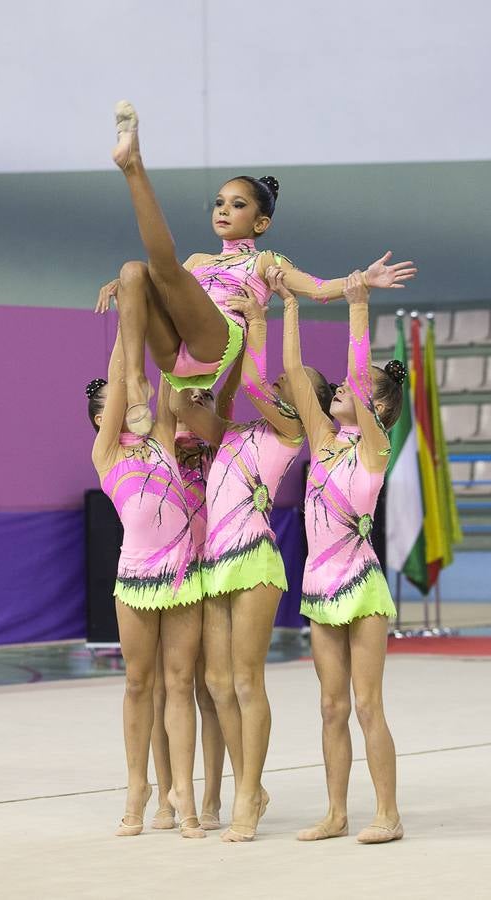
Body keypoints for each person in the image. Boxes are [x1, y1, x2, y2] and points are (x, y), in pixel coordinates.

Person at [98, 100, 416, 435]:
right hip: (175, 359)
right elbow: (165, 291)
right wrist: (130, 286)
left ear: (260, 223)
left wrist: (365, 278)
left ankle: (133, 168)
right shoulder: (199, 261)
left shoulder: (264, 261)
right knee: (133, 270)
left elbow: (318, 289)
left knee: (161, 267)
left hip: (216, 342)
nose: (223, 211)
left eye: (237, 205)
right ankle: (135, 379)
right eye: (219, 203)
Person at [169, 293, 336, 842]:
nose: (286, 384)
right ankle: (251, 786)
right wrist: (192, 362)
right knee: (216, 681)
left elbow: (262, 386)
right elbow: (184, 408)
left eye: (298, 382)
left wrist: (256, 325)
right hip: (216, 562)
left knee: (244, 679)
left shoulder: (291, 433)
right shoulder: (235, 434)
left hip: (255, 561)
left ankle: (247, 795)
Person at [281, 267, 406, 845]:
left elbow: (355, 379)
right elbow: (292, 380)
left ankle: (388, 813)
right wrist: (283, 311)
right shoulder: (323, 443)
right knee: (331, 707)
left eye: (357, 392)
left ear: (378, 406)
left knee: (365, 704)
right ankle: (336, 812)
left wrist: (357, 306)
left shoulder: (375, 447)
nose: (338, 392)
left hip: (361, 584)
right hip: (318, 584)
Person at [88, 327, 207, 839]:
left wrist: (148, 315)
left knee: (179, 683)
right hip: (135, 581)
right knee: (140, 684)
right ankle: (137, 789)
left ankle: (185, 794)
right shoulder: (107, 456)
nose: (135, 400)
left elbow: (160, 379)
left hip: (181, 576)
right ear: (102, 419)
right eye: (120, 402)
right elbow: (122, 378)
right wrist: (124, 326)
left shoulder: (163, 440)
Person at [149, 382, 234, 831]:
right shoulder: (158, 448)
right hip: (170, 577)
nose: (195, 407)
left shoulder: (220, 453)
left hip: (212, 575)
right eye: (189, 400)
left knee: (210, 691)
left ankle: (214, 796)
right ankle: (166, 795)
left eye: (206, 400)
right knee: (167, 688)